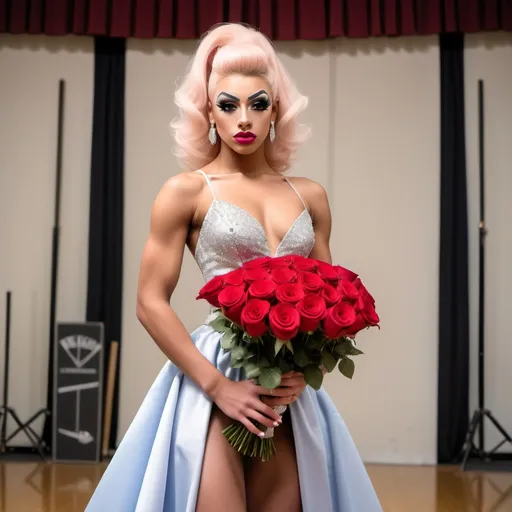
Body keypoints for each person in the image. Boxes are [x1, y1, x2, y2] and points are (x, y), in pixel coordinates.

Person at [85, 22, 382, 512]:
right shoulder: (186, 191)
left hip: (286, 390)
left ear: (275, 111)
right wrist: (218, 385)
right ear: (209, 113)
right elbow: (148, 301)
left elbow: (331, 303)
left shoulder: (309, 196)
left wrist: (306, 373)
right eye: (228, 105)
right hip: (215, 375)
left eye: (257, 104)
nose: (243, 118)